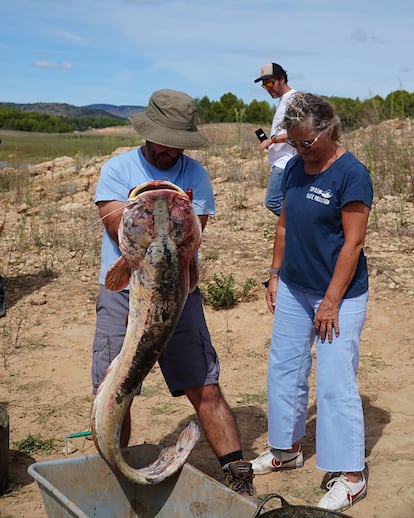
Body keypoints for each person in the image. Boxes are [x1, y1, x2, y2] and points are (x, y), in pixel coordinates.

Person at [91, 89, 254, 496]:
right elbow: (119, 232)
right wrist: (157, 216)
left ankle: (236, 472)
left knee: (205, 384)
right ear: (148, 133)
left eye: (178, 142)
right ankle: (114, 475)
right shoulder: (116, 169)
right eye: (165, 140)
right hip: (124, 294)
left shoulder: (195, 174)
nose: (171, 150)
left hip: (179, 296)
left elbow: (190, 240)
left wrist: (178, 219)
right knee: (115, 388)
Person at [250, 92, 373, 512]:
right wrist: (273, 275)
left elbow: (353, 243)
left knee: (336, 381)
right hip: (293, 287)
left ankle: (351, 475)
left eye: (307, 142)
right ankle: (286, 450)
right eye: (294, 142)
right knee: (284, 368)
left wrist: (331, 301)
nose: (301, 150)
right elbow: (284, 225)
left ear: (328, 130)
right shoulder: (293, 169)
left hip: (338, 295)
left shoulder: (352, 174)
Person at [254, 62, 297, 216]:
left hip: (285, 162)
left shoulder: (293, 99)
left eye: (270, 82)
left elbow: (298, 131)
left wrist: (270, 141)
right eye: (265, 85)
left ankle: (303, 226)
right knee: (288, 201)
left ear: (282, 79)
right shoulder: (283, 100)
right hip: (280, 161)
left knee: (272, 201)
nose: (268, 88)